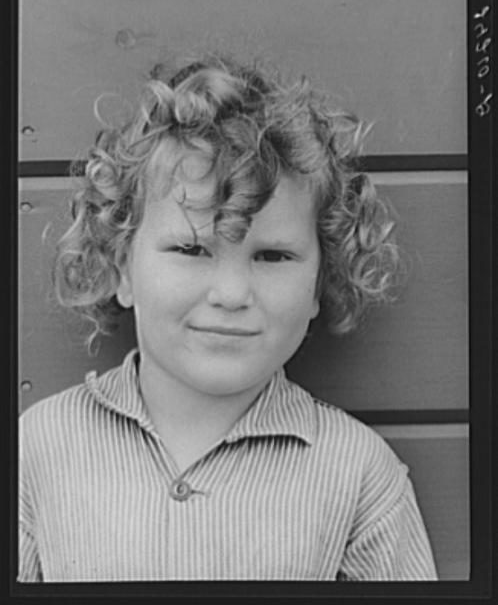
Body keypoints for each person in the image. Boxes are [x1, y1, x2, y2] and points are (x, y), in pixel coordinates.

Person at [18, 54, 438, 582]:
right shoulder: (35, 451)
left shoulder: (359, 475)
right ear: (121, 266)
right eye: (192, 250)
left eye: (273, 256)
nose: (233, 293)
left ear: (320, 282)